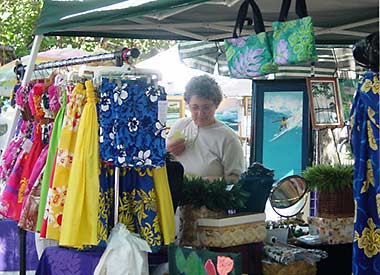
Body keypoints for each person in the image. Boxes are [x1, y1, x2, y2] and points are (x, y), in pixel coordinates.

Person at [166, 75, 245, 183]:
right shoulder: (180, 125)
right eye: (195, 107)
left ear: (216, 105)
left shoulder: (228, 138)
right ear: (188, 105)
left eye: (206, 107)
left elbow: (237, 179)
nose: (200, 113)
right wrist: (167, 151)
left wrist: (211, 181)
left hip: (208, 197)